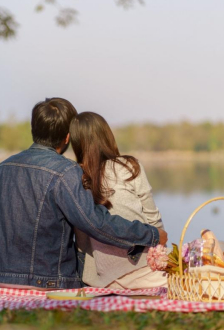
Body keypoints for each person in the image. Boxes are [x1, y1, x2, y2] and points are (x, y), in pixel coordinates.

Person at [0, 98, 167, 289]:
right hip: (44, 280)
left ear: (34, 130)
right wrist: (151, 234)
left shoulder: (2, 167)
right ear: (67, 138)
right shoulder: (65, 171)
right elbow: (96, 223)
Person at [71, 112, 167, 289]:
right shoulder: (129, 166)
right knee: (218, 248)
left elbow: (82, 241)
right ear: (107, 135)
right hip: (145, 269)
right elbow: (154, 221)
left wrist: (93, 278)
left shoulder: (76, 177)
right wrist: (162, 255)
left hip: (105, 278)